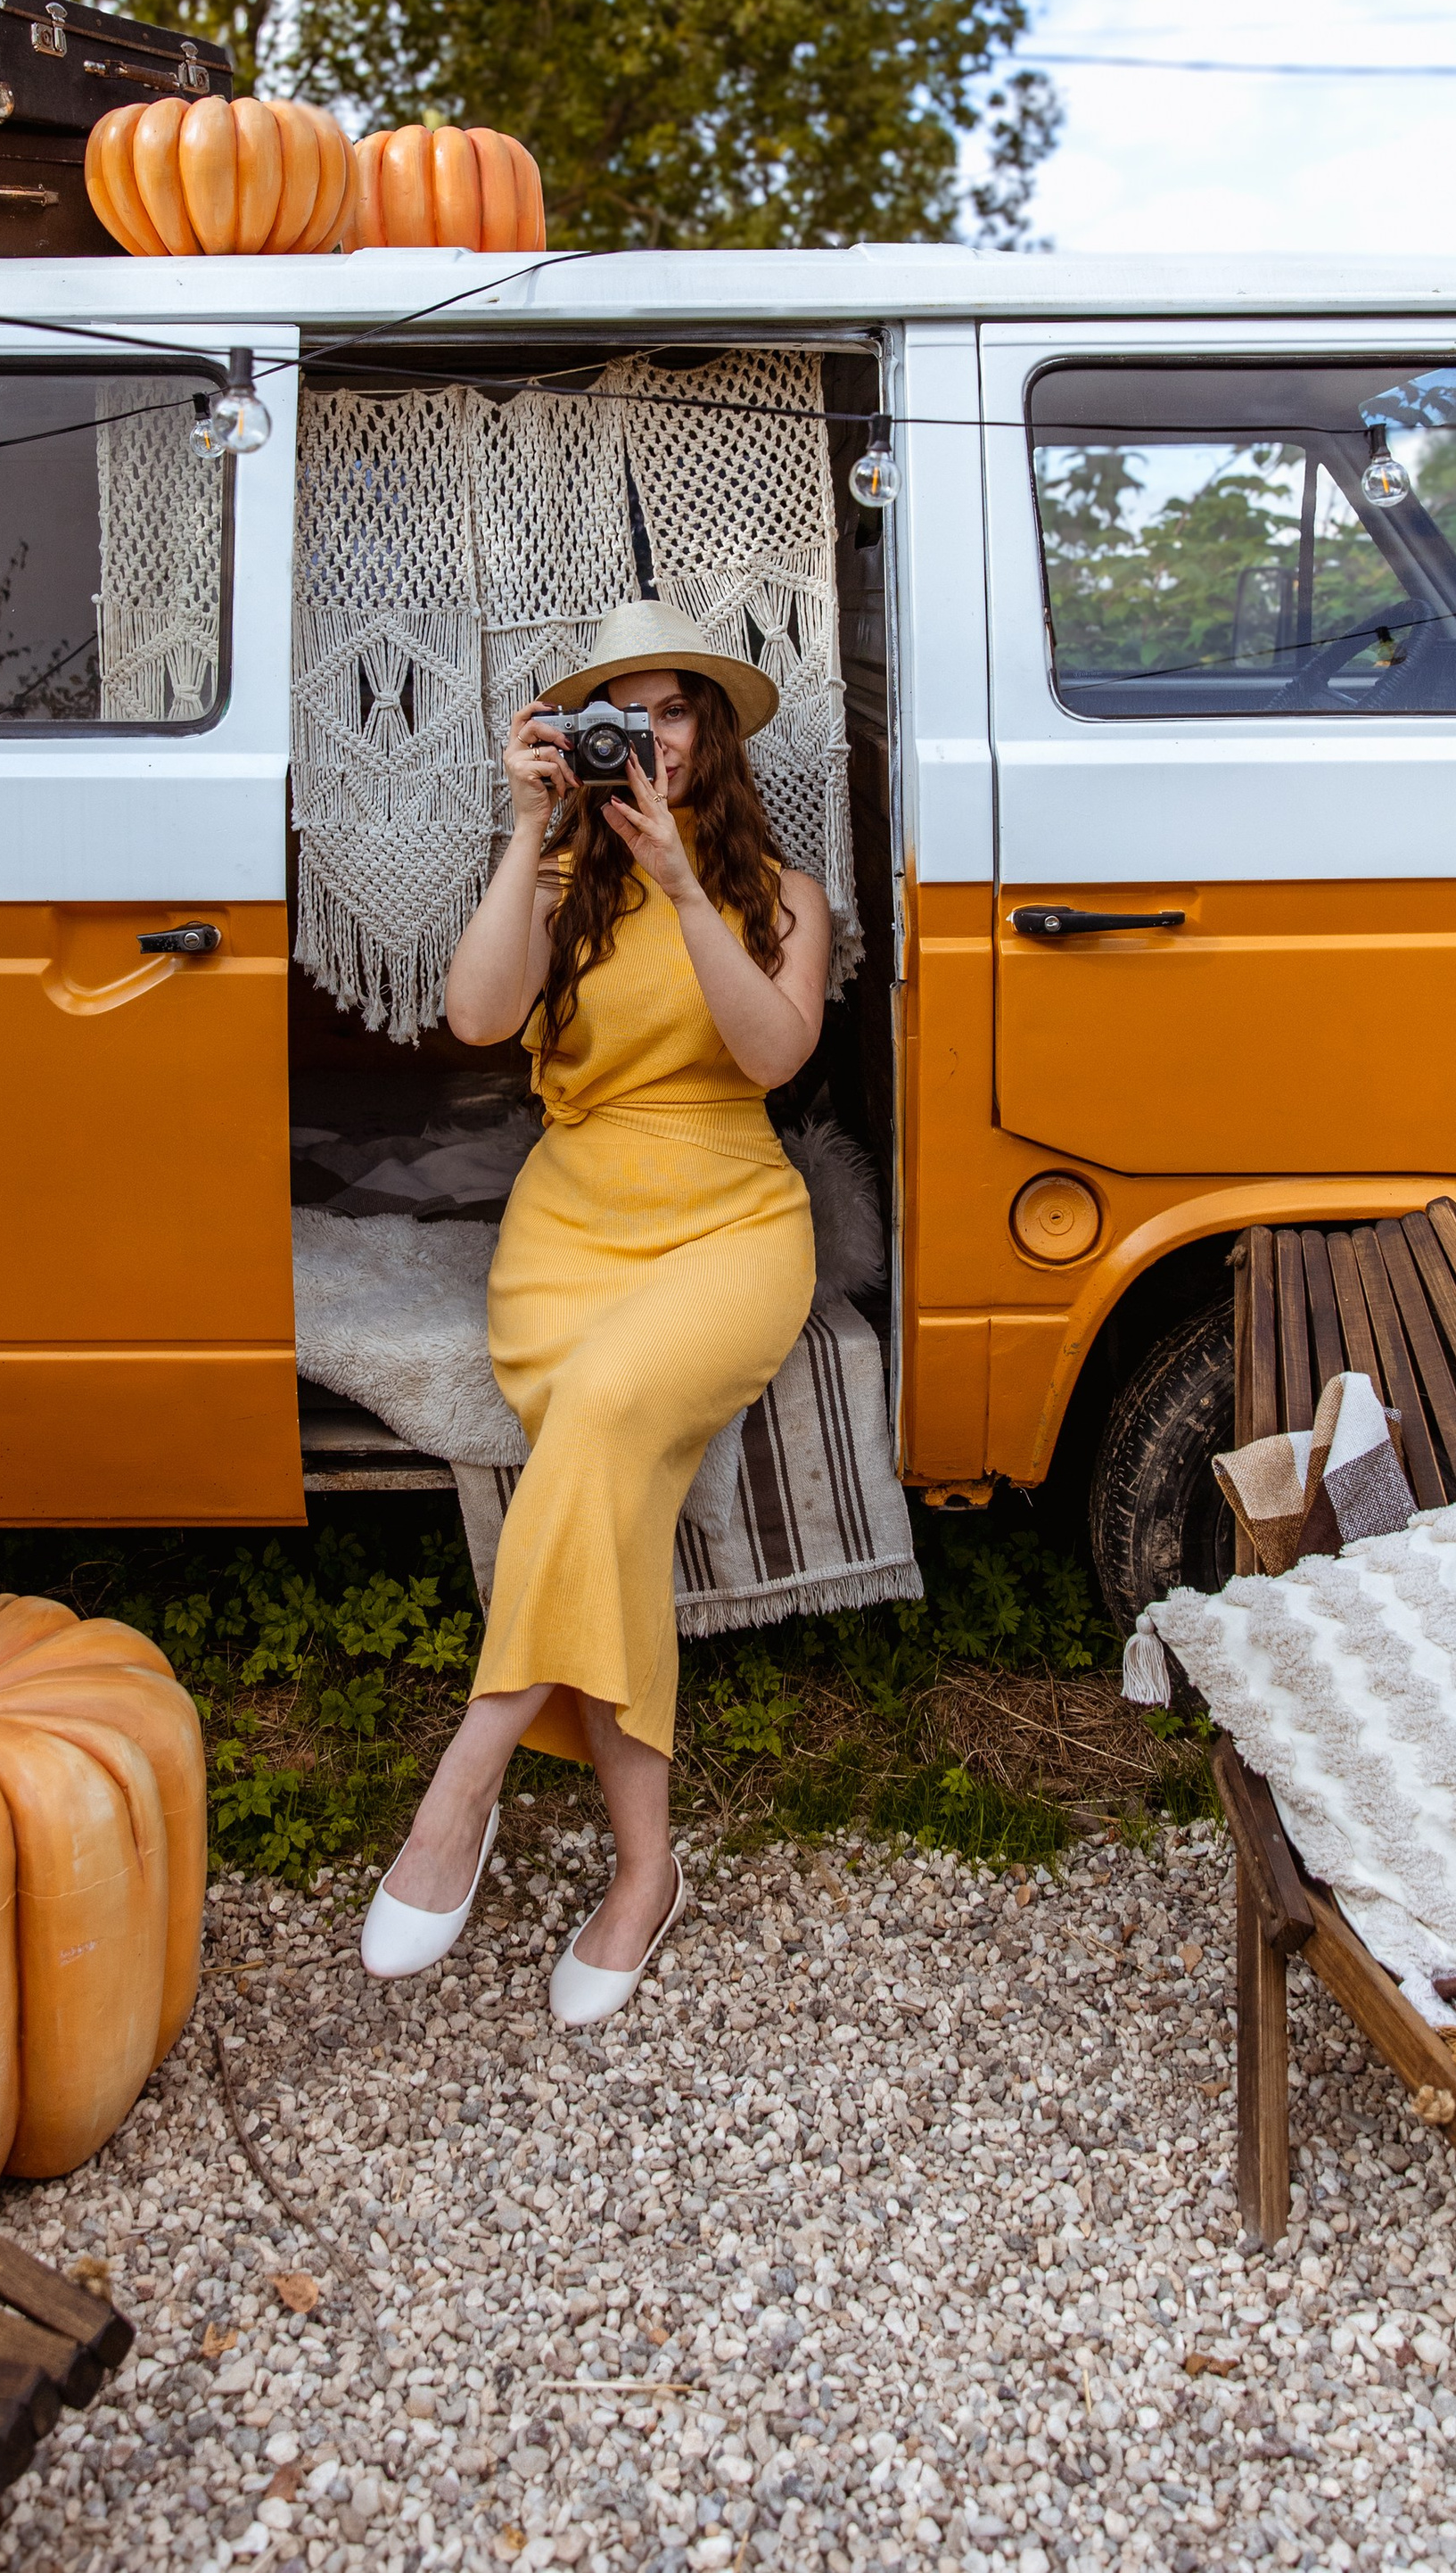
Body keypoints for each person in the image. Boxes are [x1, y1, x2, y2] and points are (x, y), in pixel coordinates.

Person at [359, 606, 827, 2025]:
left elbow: (777, 1054)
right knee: (604, 1481)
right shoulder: (557, 875)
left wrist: (687, 889)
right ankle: (644, 1871)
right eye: (622, 716)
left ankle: (466, 1781)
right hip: (569, 1235)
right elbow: (479, 1019)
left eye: (675, 710)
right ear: (580, 741)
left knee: (609, 1417)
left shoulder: (784, 897)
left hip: (734, 1220)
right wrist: (524, 832)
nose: (654, 738)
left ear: (713, 734)